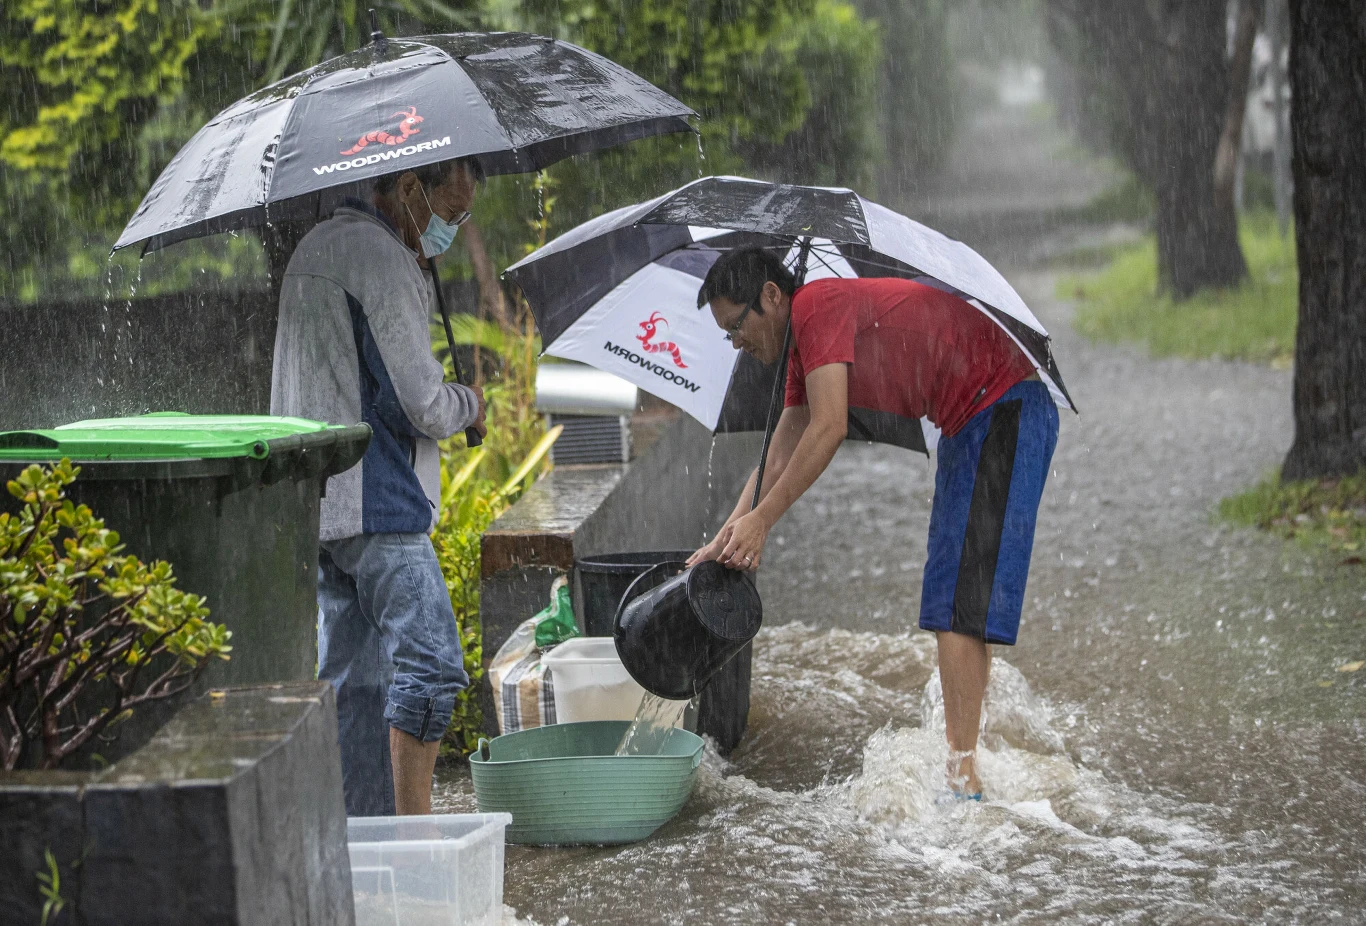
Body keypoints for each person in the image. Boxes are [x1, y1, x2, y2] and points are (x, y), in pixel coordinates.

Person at [688, 248, 1059, 799]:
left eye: (737, 326)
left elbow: (830, 425)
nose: (737, 342)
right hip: (967, 423)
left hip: (1004, 408)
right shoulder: (800, 346)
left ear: (771, 295)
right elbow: (788, 436)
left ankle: (963, 779)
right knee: (955, 604)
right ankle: (969, 761)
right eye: (727, 334)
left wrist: (763, 521)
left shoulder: (817, 304)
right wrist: (728, 531)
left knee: (957, 608)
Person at [271, 157, 487, 816]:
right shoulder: (380, 258)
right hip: (378, 503)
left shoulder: (316, 246)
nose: (452, 226)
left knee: (356, 684)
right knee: (433, 665)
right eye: (450, 212)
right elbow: (417, 401)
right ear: (409, 188)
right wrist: (469, 404)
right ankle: (416, 837)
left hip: (318, 505)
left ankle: (359, 845)